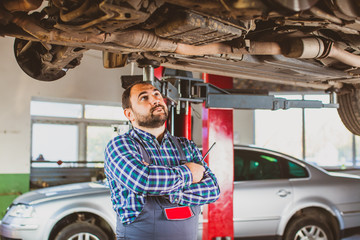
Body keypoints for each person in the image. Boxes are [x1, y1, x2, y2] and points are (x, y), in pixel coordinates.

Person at [104, 82, 220, 240]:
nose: (155, 100)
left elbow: (212, 190)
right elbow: (142, 180)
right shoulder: (120, 145)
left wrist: (167, 191)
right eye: (144, 97)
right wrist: (189, 173)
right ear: (129, 114)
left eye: (157, 94)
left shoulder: (186, 146)